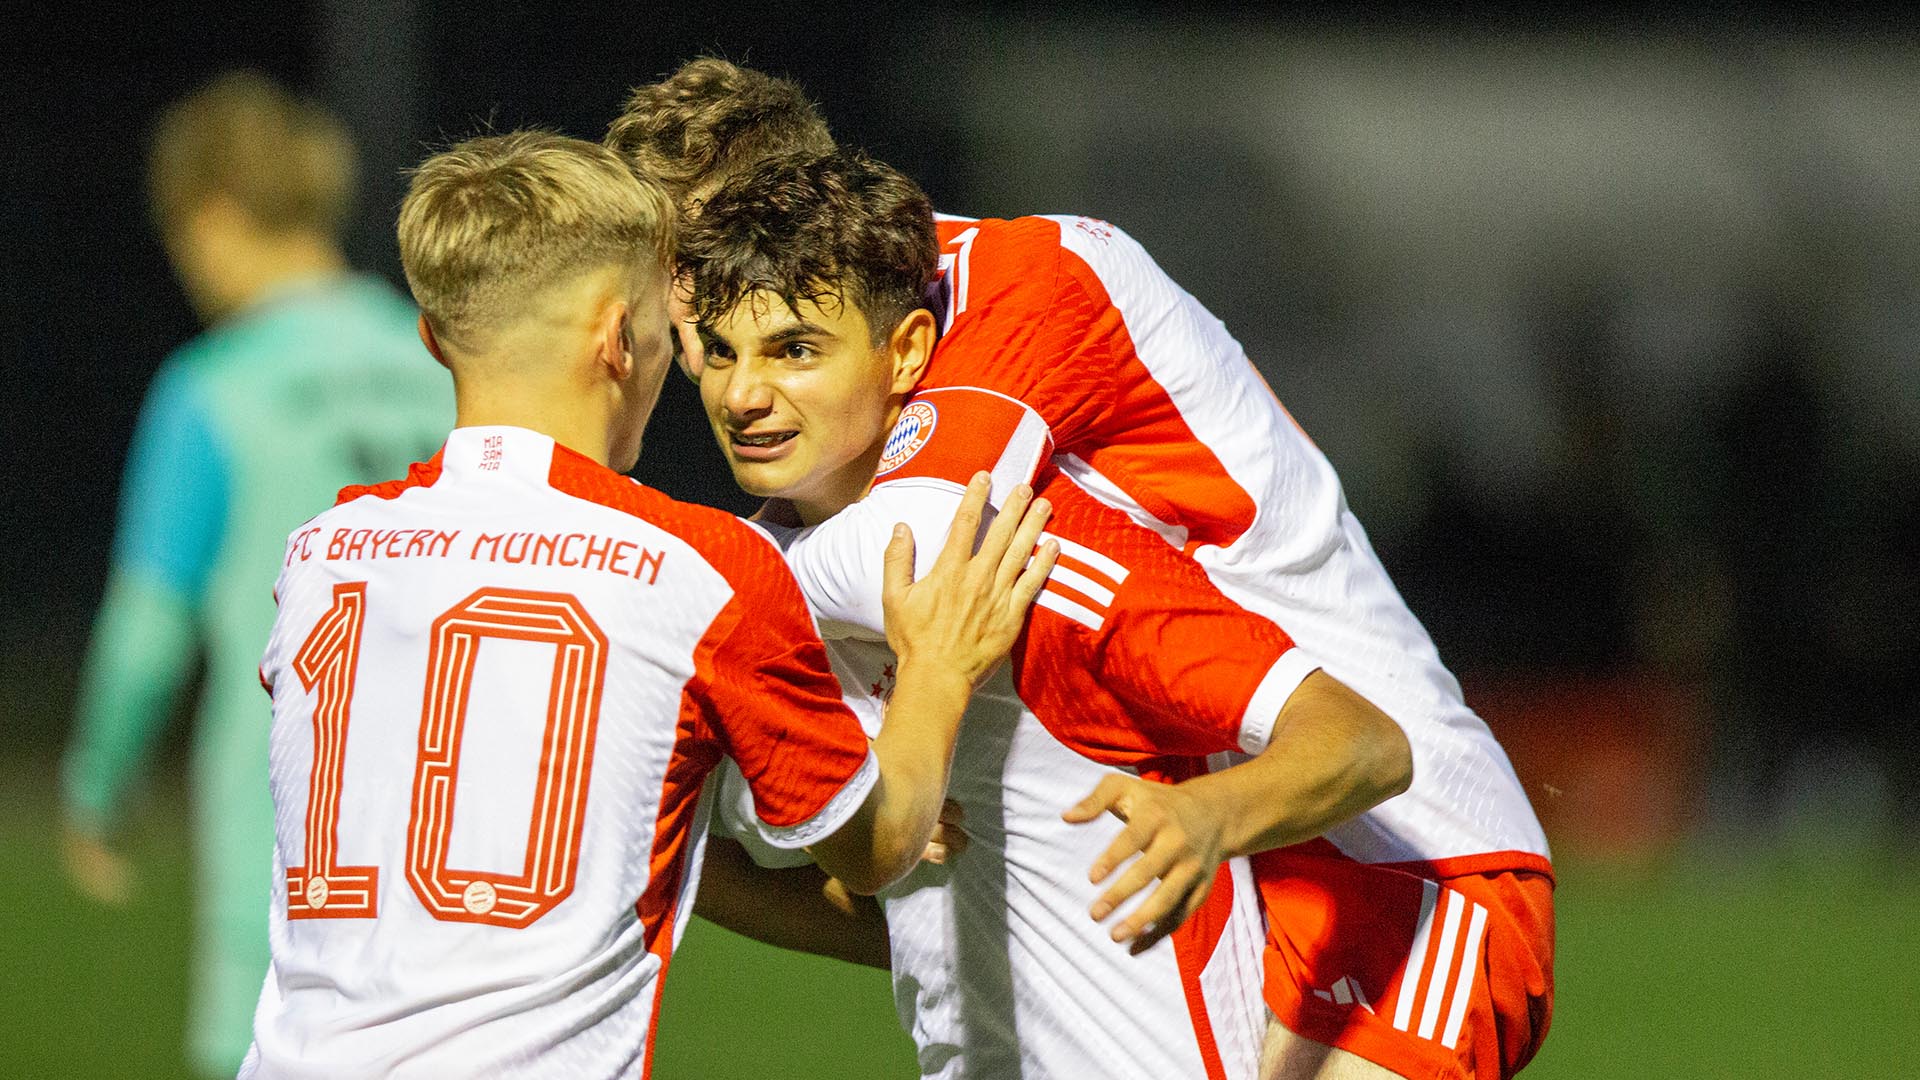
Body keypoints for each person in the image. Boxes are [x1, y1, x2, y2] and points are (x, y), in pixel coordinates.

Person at [612, 60, 1554, 1080]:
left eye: (682, 259)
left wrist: (632, 607)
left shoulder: (1011, 292)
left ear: (801, 208)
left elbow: (922, 544)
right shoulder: (827, 461)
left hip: (1394, 843)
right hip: (1209, 839)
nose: (664, 309)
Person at [240, 130, 1056, 1078]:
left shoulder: (320, 556)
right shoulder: (700, 567)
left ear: (433, 338)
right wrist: (939, 674)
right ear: (617, 338)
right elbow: (878, 845)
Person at [59, 70, 453, 1077]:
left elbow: (149, 630)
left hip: (284, 832)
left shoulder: (213, 389)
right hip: (450, 820)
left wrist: (97, 789)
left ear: (217, 215)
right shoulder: (444, 359)